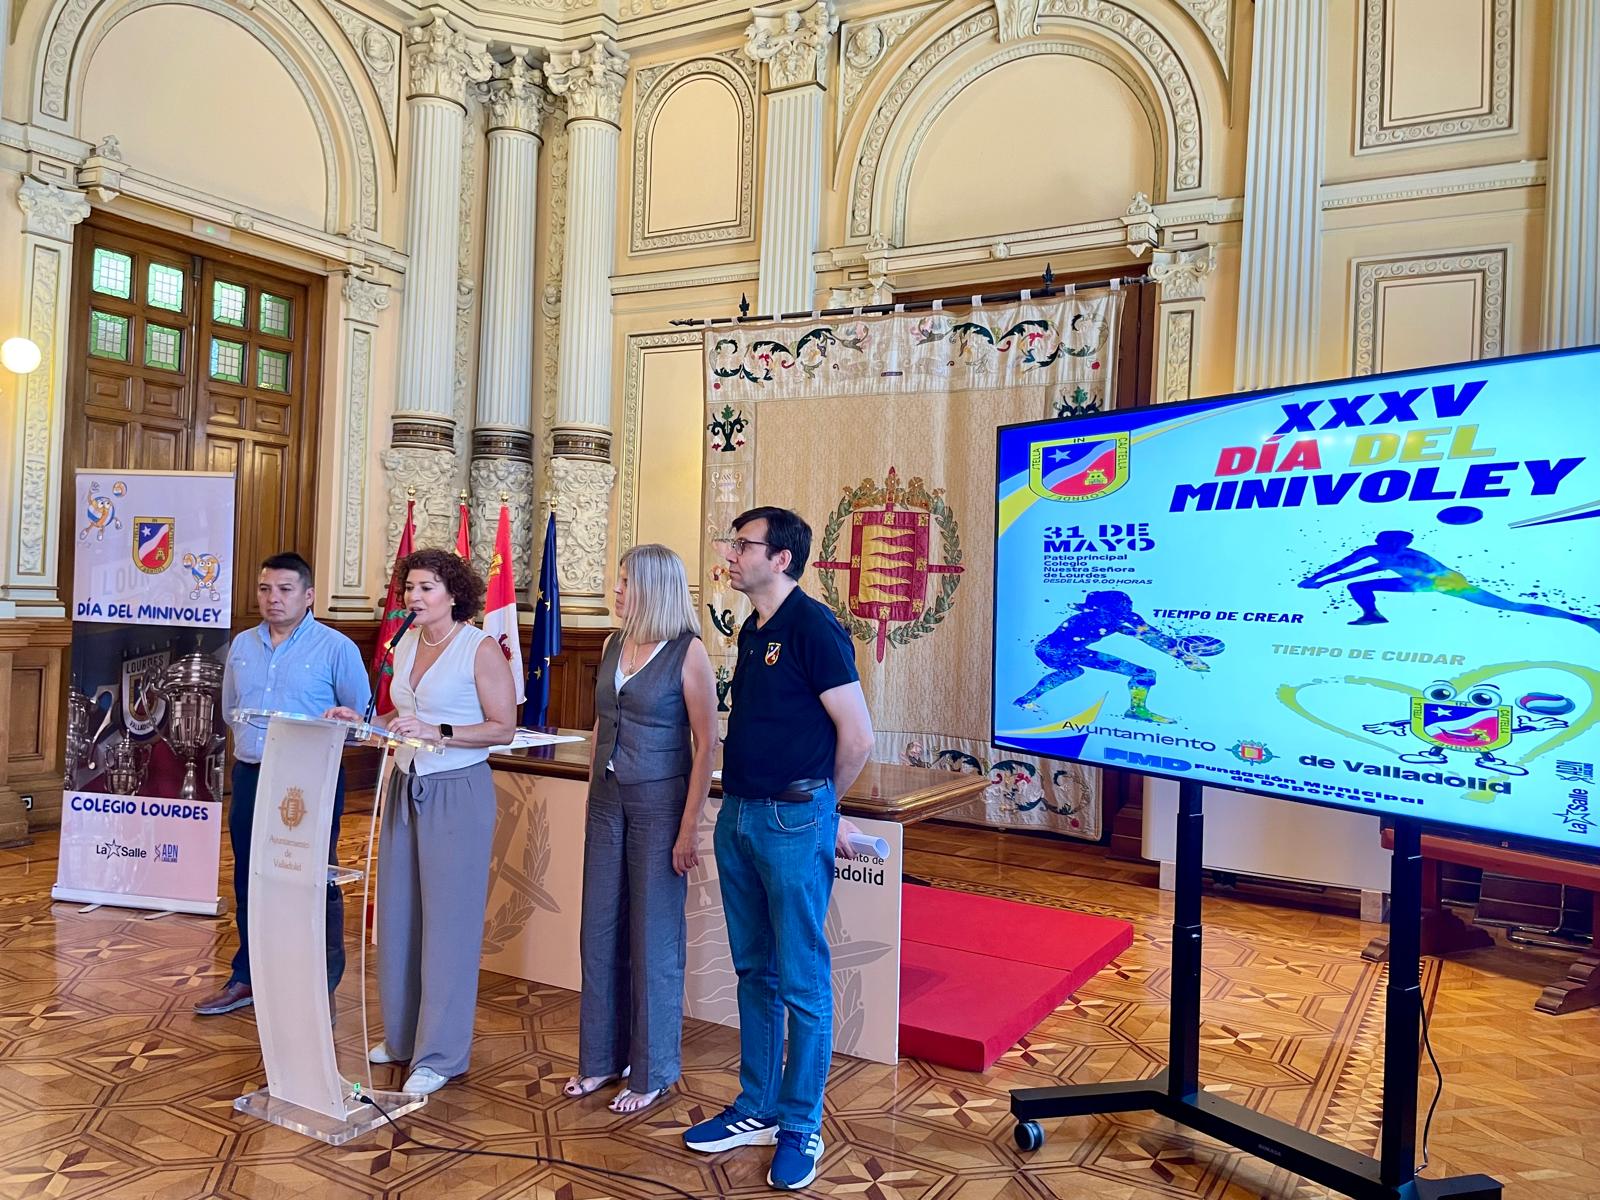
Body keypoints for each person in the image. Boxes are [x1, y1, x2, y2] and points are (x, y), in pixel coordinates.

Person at [681, 506, 874, 1192]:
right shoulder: (752, 628)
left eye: (743, 545)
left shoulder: (814, 627)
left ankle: (800, 1124)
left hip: (793, 818)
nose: (730, 555)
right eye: (733, 544)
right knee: (754, 971)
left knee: (801, 980)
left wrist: (823, 805)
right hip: (739, 815)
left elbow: (857, 736)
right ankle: (757, 1107)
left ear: (781, 558)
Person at [326, 548, 516, 1096]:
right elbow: (400, 716)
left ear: (454, 594)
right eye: (409, 587)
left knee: (449, 926)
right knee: (400, 915)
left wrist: (442, 732)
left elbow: (502, 727)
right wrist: (365, 722)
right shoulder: (407, 641)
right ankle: (404, 1037)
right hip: (406, 784)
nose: (414, 596)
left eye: (427, 587)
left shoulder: (478, 648)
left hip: (457, 790)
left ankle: (441, 1054)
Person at [563, 544, 718, 1115]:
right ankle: (601, 1058)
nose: (617, 589)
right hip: (607, 802)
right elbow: (600, 725)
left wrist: (689, 827)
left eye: (626, 581)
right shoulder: (613, 643)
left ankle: (653, 1070)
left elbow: (707, 744)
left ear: (654, 587)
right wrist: (590, 794)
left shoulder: (687, 651)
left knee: (654, 935)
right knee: (599, 929)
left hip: (660, 804)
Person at [196, 552, 369, 1016]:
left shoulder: (336, 648)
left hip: (308, 781)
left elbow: (359, 721)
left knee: (311, 877)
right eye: (265, 589)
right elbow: (231, 709)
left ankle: (318, 982)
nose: (273, 598)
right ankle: (249, 976)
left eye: (285, 590)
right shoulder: (243, 645)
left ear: (308, 596)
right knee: (251, 875)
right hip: (252, 775)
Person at [1300, 529, 1600, 632]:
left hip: (1446, 583)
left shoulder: (1410, 556)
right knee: (1357, 586)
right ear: (1382, 542)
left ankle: (1584, 619)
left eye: (1399, 544)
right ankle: (1373, 614)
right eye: (1390, 543)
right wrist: (1317, 578)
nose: (1395, 547)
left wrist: (1323, 583)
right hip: (1418, 583)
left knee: (1509, 605)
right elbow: (1344, 565)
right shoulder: (1372, 550)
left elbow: (1369, 571)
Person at [1012, 589, 1210, 723]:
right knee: (1072, 671)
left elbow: (1153, 637)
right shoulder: (1085, 620)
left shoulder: (1123, 617)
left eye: (1127, 608)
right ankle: (1026, 699)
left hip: (1075, 651)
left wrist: (1185, 657)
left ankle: (1137, 710)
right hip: (1052, 650)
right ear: (1100, 609)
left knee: (1144, 674)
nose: (1124, 613)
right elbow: (1140, 635)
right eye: (1117, 610)